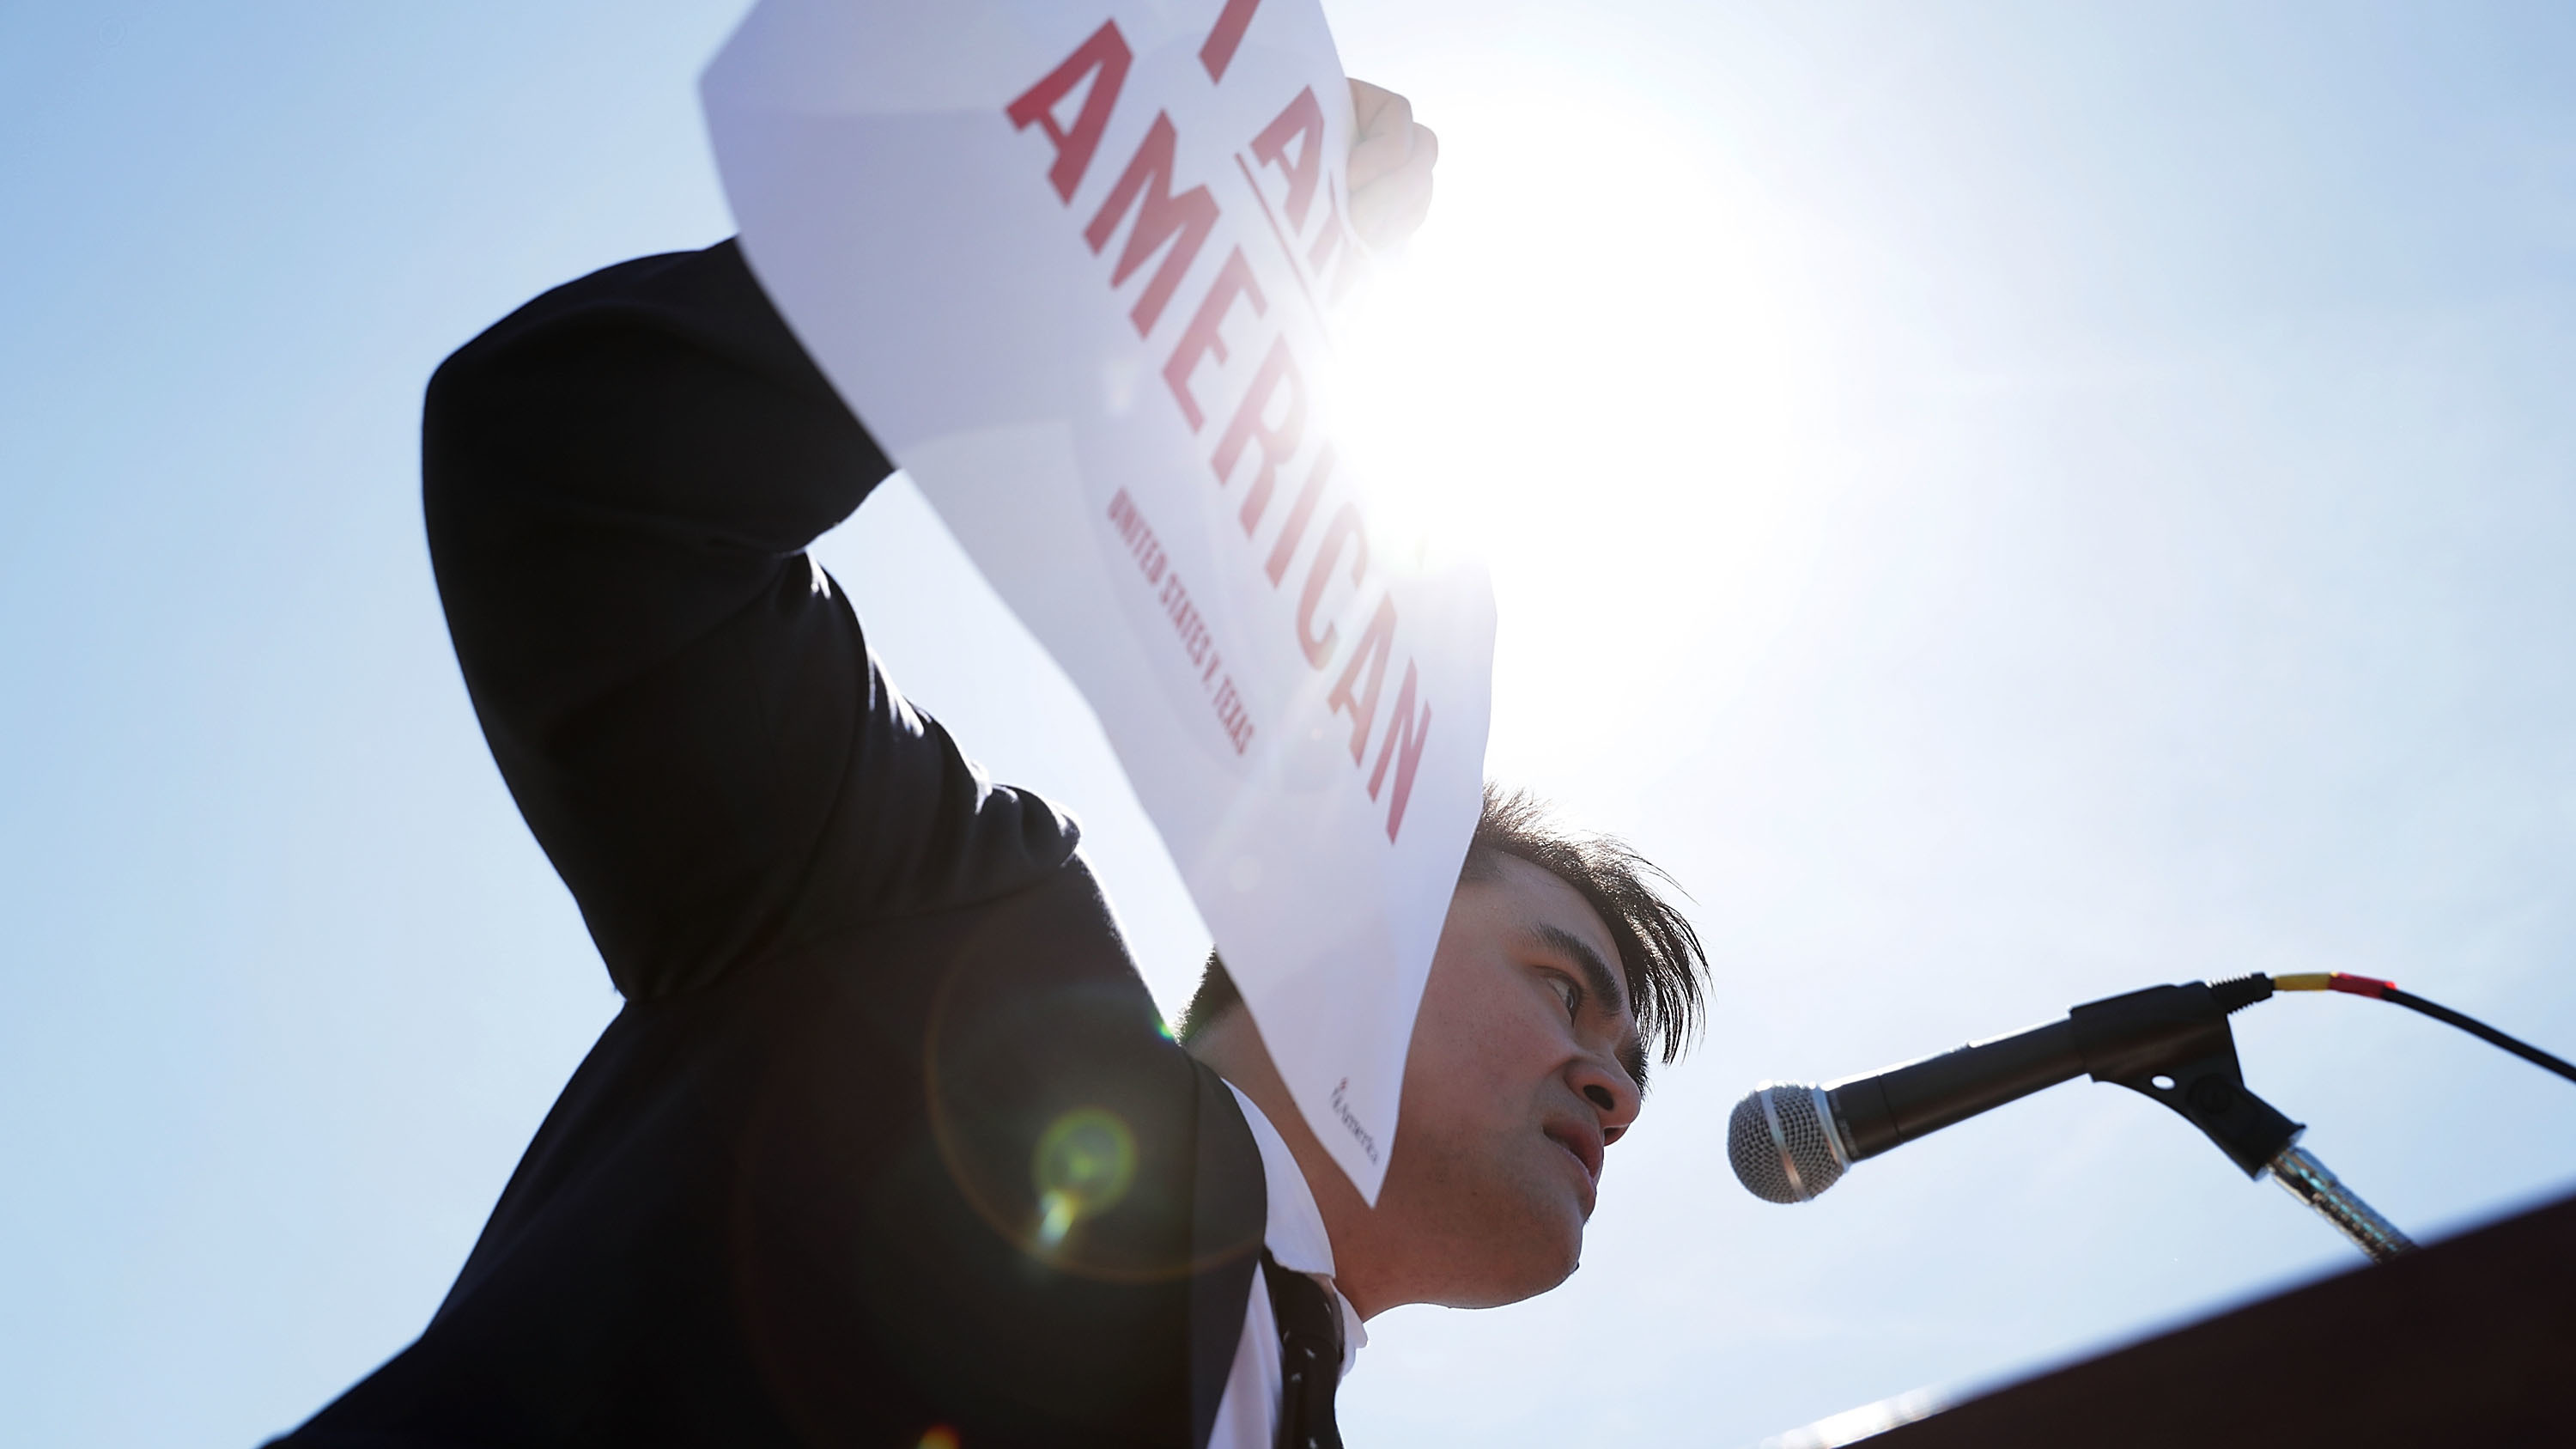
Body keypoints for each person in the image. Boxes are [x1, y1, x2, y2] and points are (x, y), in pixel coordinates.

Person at [274, 81, 1707, 1449]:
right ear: (1353, 909)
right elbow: (577, 476)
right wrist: (1140, 282)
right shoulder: (948, 954)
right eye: (1563, 990)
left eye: (1628, 1063)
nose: (1616, 1090)